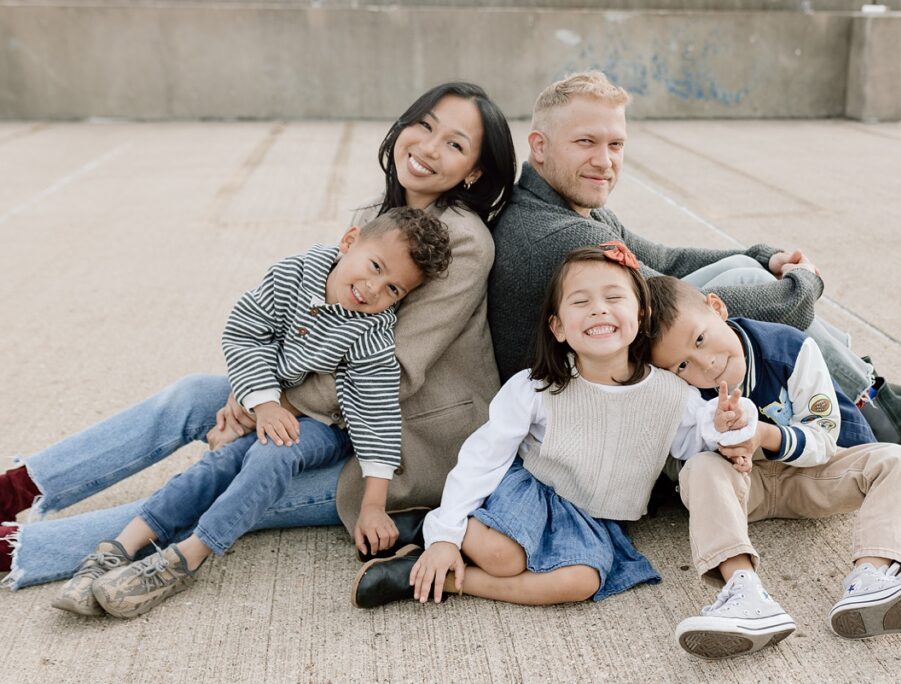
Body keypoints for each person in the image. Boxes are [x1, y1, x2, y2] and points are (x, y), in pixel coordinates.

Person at [0, 82, 517, 590]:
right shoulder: (374, 217)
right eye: (425, 126)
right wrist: (253, 389)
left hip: (402, 440)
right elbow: (304, 321)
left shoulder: (463, 243)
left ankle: (19, 551)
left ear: (473, 171)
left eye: (454, 143)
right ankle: (18, 487)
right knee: (192, 395)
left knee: (219, 486)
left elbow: (396, 372)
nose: (429, 147)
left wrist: (272, 404)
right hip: (326, 406)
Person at [487, 70, 901, 452]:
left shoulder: (565, 204)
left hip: (614, 370)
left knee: (743, 271)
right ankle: (872, 408)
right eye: (586, 143)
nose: (605, 161)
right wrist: (800, 288)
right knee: (741, 289)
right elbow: (667, 309)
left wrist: (761, 255)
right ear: (540, 146)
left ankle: (869, 392)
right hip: (592, 418)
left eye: (616, 144)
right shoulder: (559, 235)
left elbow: (667, 258)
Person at [50, 208, 452, 618]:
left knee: (273, 452)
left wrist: (372, 505)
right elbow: (245, 333)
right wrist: (263, 402)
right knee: (221, 462)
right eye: (375, 267)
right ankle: (116, 549)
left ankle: (185, 558)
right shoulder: (293, 274)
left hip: (328, 426)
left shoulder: (372, 332)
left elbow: (376, 415)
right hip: (267, 398)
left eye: (393, 290)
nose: (373, 289)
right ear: (349, 242)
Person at [349, 243, 757, 608]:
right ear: (558, 327)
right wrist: (446, 534)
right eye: (580, 302)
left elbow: (707, 436)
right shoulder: (538, 388)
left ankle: (447, 580)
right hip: (535, 493)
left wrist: (731, 426)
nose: (599, 308)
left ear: (641, 313)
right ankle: (435, 531)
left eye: (614, 297)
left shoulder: (672, 393)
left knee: (581, 581)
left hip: (596, 518)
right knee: (503, 558)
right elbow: (484, 458)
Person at [646, 276, 901, 659]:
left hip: (819, 474)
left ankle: (872, 577)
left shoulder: (788, 348)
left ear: (717, 309)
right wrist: (723, 443)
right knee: (697, 469)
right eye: (683, 364)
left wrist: (764, 435)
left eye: (700, 340)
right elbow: (686, 450)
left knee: (899, 460)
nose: (706, 364)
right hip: (750, 488)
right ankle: (743, 592)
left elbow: (824, 438)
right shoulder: (683, 391)